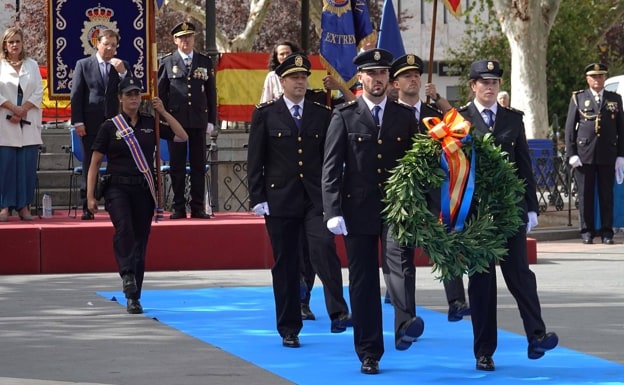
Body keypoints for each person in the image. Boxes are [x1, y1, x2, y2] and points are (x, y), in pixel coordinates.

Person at [322, 48, 421, 375]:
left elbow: (419, 165)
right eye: (371, 74)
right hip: (357, 209)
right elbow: (331, 168)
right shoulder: (344, 116)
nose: (378, 79)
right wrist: (332, 210)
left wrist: (421, 203)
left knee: (398, 264)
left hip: (395, 208)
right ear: (360, 78)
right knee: (363, 282)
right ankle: (369, 352)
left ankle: (405, 323)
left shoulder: (404, 116)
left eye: (382, 74)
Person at [457, 59, 558, 371]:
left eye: (494, 82)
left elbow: (523, 163)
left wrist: (530, 206)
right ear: (473, 85)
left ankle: (536, 335)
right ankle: (484, 351)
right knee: (482, 282)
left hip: (509, 211)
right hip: (476, 215)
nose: (490, 87)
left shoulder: (512, 120)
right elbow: (452, 171)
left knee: (520, 275)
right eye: (483, 82)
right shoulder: (460, 119)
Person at [247, 53, 351, 349]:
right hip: (279, 199)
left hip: (315, 199)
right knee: (286, 263)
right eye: (294, 78)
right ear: (281, 82)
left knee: (323, 248)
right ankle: (289, 326)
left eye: (304, 77)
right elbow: (256, 159)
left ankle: (338, 311)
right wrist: (258, 197)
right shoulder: (266, 114)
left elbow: (330, 159)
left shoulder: (321, 114)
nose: (300, 82)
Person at [86, 76, 188, 314]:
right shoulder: (110, 127)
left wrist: (162, 111)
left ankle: (134, 297)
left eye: (136, 94)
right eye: (128, 94)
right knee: (125, 229)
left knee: (141, 241)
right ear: (120, 98)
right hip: (116, 188)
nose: (133, 98)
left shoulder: (149, 124)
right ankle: (127, 274)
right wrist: (90, 196)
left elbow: (182, 136)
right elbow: (95, 162)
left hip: (143, 188)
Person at [389, 53, 470, 322]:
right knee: (403, 257)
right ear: (395, 83)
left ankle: (457, 302)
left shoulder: (433, 116)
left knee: (445, 244)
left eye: (416, 75)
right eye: (406, 76)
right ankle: (407, 314)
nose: (413, 79)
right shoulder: (387, 115)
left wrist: (440, 101)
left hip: (434, 192)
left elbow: (460, 131)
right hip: (401, 195)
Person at [158, 21, 216, 220]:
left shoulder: (204, 61)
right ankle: (178, 206)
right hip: (176, 122)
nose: (186, 41)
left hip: (198, 121)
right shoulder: (167, 62)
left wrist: (211, 120)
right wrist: (164, 121)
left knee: (199, 165)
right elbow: (161, 94)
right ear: (175, 40)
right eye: (182, 38)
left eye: (189, 36)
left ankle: (198, 206)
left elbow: (211, 93)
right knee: (177, 166)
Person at [71, 28, 130, 220]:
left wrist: (123, 73)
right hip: (90, 122)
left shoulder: (121, 66)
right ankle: (88, 204)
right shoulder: (84, 64)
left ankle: (115, 202)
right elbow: (77, 95)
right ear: (97, 43)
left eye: (113, 45)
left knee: (117, 163)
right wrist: (78, 121)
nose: (110, 48)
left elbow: (132, 90)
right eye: (106, 44)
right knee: (90, 163)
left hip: (114, 123)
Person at [564, 63, 624, 244]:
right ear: (587, 79)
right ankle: (587, 231)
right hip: (584, 154)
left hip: (608, 153)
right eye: (594, 76)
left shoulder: (615, 98)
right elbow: (569, 129)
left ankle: (607, 232)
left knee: (607, 195)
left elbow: (621, 128)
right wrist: (571, 153)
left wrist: (621, 155)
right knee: (585, 195)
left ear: (605, 78)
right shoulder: (579, 98)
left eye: (601, 76)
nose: (598, 80)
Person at [0, 27, 43, 222]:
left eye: (17, 41)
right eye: (11, 42)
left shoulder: (32, 65)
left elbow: (38, 92)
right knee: (6, 167)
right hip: (5, 122)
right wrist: (12, 108)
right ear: (5, 45)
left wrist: (23, 109)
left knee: (26, 167)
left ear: (22, 43)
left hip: (28, 122)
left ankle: (24, 207)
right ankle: (5, 206)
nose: (15, 45)